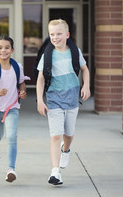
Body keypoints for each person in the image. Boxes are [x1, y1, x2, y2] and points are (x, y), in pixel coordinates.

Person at [36, 19, 90, 185]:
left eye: (59, 34)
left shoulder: (75, 52)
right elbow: (40, 79)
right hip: (54, 99)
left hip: (72, 98)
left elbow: (85, 70)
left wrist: (86, 86)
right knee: (56, 135)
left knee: (68, 134)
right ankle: (55, 172)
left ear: (67, 35)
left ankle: (65, 149)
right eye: (52, 34)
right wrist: (40, 100)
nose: (55, 37)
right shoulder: (47, 55)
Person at [0, 36, 29, 183]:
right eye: (0, 47)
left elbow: (21, 83)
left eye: (7, 47)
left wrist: (22, 91)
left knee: (12, 136)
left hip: (12, 107)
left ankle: (11, 169)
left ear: (12, 50)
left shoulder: (17, 67)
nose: (4, 50)